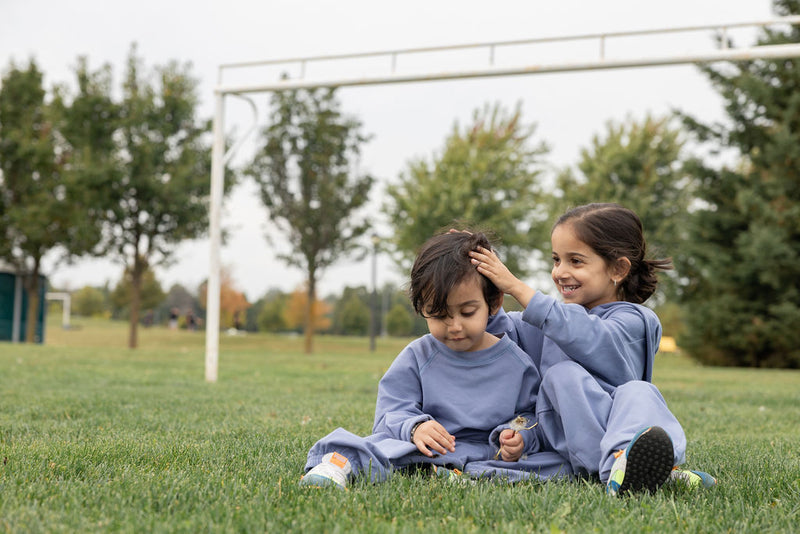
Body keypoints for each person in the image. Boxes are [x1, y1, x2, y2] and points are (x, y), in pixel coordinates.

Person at [469, 203, 716, 496]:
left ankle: (624, 465)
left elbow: (588, 336)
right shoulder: (552, 322)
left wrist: (518, 288)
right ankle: (631, 471)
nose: (559, 272)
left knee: (639, 391)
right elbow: (499, 328)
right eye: (556, 260)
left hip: (614, 433)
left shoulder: (635, 321)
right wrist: (467, 262)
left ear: (618, 269)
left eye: (575, 261)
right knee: (563, 375)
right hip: (565, 440)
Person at [299, 231, 570, 489]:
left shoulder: (516, 361)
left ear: (493, 303)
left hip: (485, 452)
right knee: (383, 447)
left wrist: (518, 436)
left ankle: (459, 474)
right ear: (422, 310)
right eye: (439, 315)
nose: (454, 326)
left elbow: (531, 415)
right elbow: (390, 413)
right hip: (424, 447)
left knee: (557, 465)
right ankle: (338, 464)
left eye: (467, 312)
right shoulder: (418, 356)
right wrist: (417, 427)